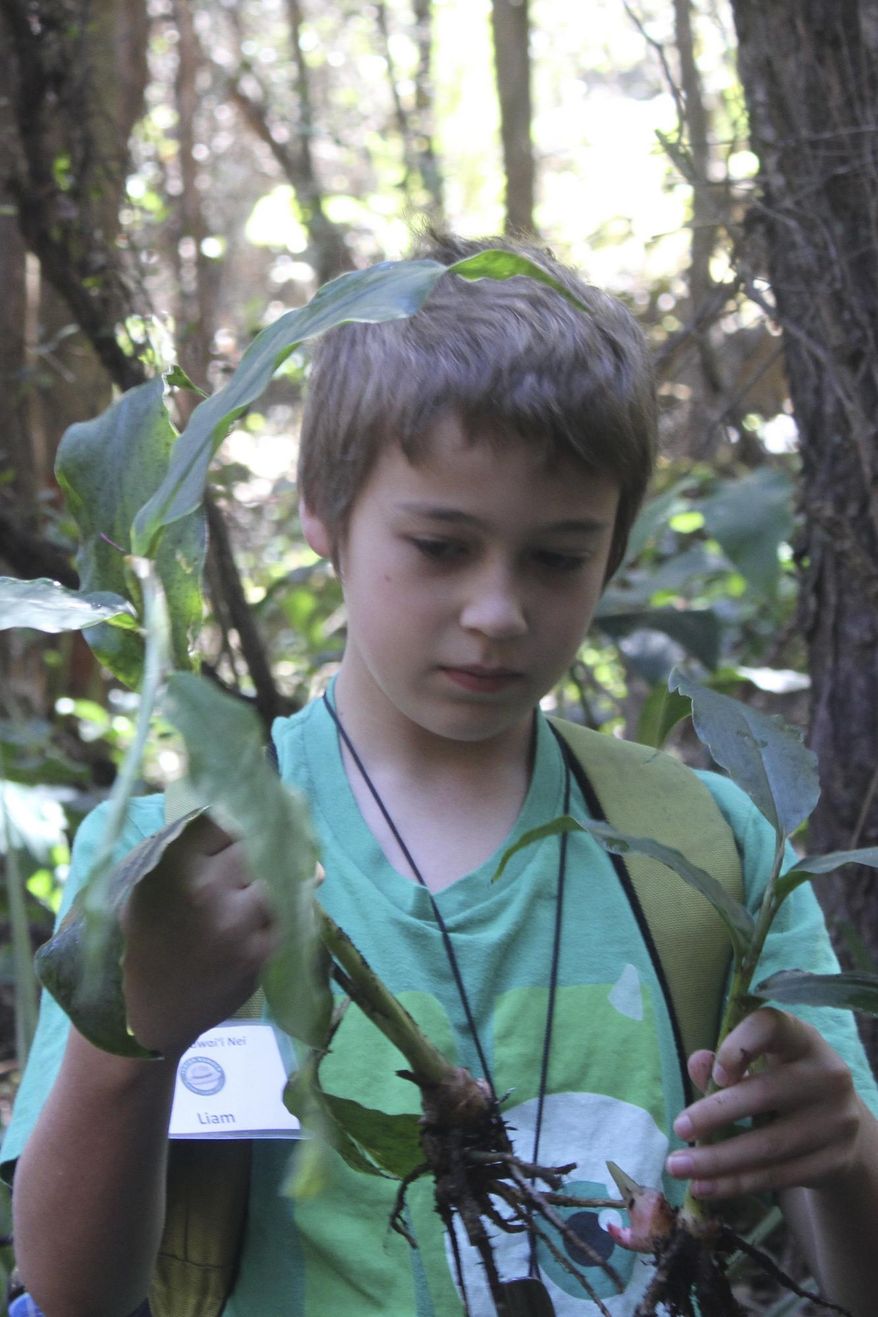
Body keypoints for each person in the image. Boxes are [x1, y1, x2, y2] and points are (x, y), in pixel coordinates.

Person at [3, 232, 878, 1317]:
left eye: (557, 557)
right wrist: (127, 1037)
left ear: (610, 551)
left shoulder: (710, 843)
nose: (498, 611)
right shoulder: (177, 861)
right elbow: (72, 1296)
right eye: (440, 545)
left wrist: (838, 1160)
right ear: (324, 513)